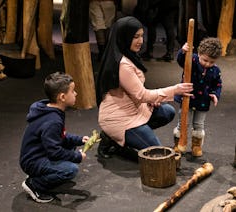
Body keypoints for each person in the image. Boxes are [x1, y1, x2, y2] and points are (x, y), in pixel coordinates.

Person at [95, 16, 193, 160]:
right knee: (158, 153)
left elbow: (137, 91)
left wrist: (151, 100)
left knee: (167, 112)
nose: (140, 41)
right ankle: (110, 137)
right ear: (124, 37)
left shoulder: (129, 54)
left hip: (134, 109)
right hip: (121, 119)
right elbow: (141, 95)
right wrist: (175, 90)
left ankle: (128, 137)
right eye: (135, 37)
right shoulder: (123, 64)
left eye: (142, 36)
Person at [19, 72, 89, 203]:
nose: (76, 94)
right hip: (33, 160)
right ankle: (34, 184)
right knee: (70, 170)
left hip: (38, 154)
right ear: (62, 97)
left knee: (70, 146)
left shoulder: (50, 110)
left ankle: (41, 173)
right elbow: (54, 151)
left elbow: (60, 136)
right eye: (73, 91)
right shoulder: (53, 121)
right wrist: (77, 157)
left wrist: (78, 140)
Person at [173, 37, 222, 157]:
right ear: (199, 53)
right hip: (187, 98)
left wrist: (215, 94)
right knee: (183, 122)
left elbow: (218, 84)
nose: (208, 64)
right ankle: (179, 144)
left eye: (212, 62)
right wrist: (183, 51)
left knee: (199, 125)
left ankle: (196, 146)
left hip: (203, 101)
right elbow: (181, 61)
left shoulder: (215, 70)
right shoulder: (192, 59)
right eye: (205, 60)